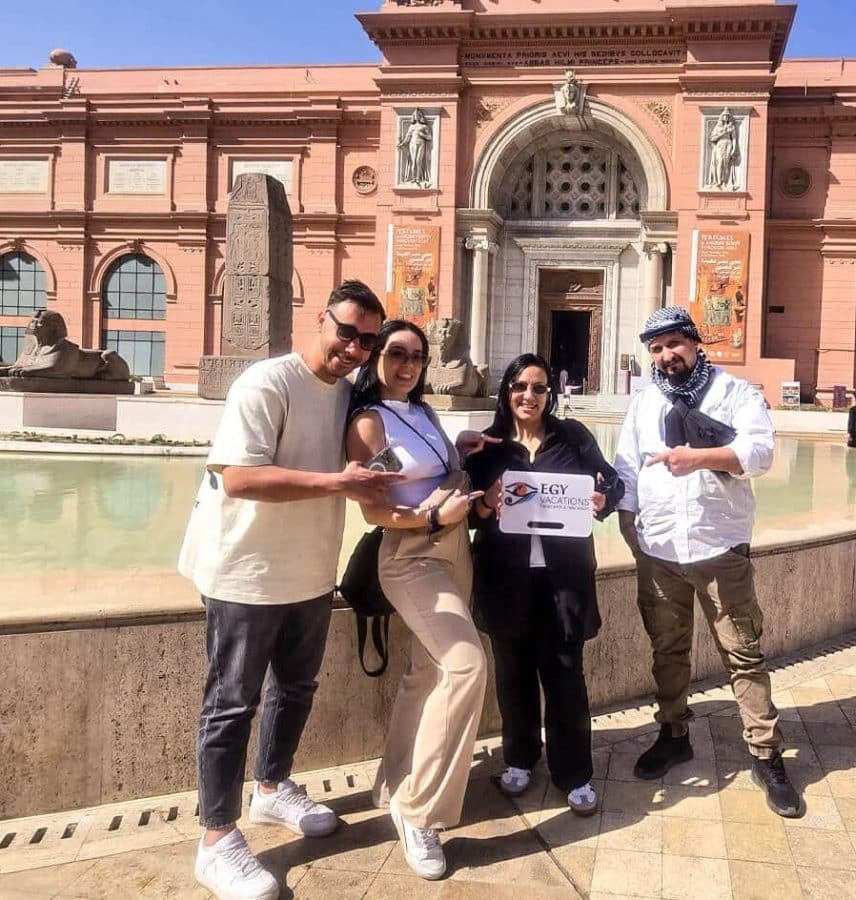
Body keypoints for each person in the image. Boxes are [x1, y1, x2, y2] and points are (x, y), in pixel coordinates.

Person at [180, 280, 400, 900]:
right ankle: (216, 839)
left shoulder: (349, 395)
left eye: (367, 340)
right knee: (231, 705)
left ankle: (272, 789)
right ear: (320, 318)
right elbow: (242, 479)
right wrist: (339, 484)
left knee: (296, 688)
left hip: (307, 571)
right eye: (347, 331)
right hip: (244, 571)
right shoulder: (265, 383)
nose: (355, 347)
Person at [614, 307, 803, 819]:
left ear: (695, 343)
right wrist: (629, 524)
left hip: (720, 548)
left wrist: (696, 458)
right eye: (655, 348)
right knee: (667, 649)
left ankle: (766, 755)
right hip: (659, 551)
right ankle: (673, 733)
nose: (665, 355)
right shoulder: (645, 400)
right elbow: (627, 466)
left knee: (743, 652)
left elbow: (760, 453)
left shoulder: (734, 392)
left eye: (673, 343)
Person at [344, 319, 493, 881]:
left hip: (454, 550)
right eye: (396, 354)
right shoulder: (368, 423)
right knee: (466, 665)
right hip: (412, 555)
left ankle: (394, 782)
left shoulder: (423, 412)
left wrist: (459, 451)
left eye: (417, 357)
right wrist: (433, 516)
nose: (408, 366)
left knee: (425, 673)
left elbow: (422, 468)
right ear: (375, 357)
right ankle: (420, 810)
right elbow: (374, 509)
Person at [464, 353, 624, 817]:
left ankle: (574, 773)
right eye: (519, 386)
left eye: (538, 387)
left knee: (565, 678)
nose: (528, 396)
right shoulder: (490, 447)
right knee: (512, 677)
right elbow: (468, 507)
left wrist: (601, 499)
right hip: (506, 580)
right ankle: (519, 758)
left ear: (550, 394)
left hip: (563, 582)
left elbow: (611, 483)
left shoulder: (572, 438)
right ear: (506, 392)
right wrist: (485, 504)